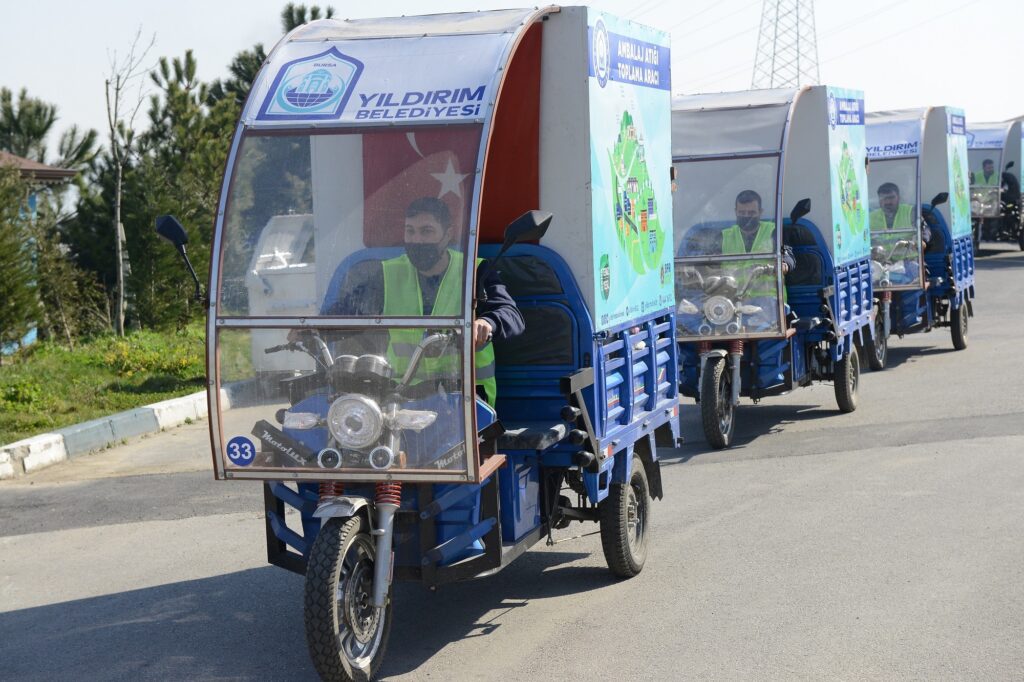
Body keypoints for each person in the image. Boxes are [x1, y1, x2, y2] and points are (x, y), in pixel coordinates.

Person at [324, 197, 523, 406]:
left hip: (465, 397)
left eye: (426, 231)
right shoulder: (386, 273)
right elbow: (347, 311)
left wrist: (486, 323)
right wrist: (309, 328)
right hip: (402, 397)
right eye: (410, 231)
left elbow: (510, 313)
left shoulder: (475, 271)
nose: (417, 240)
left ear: (447, 235)